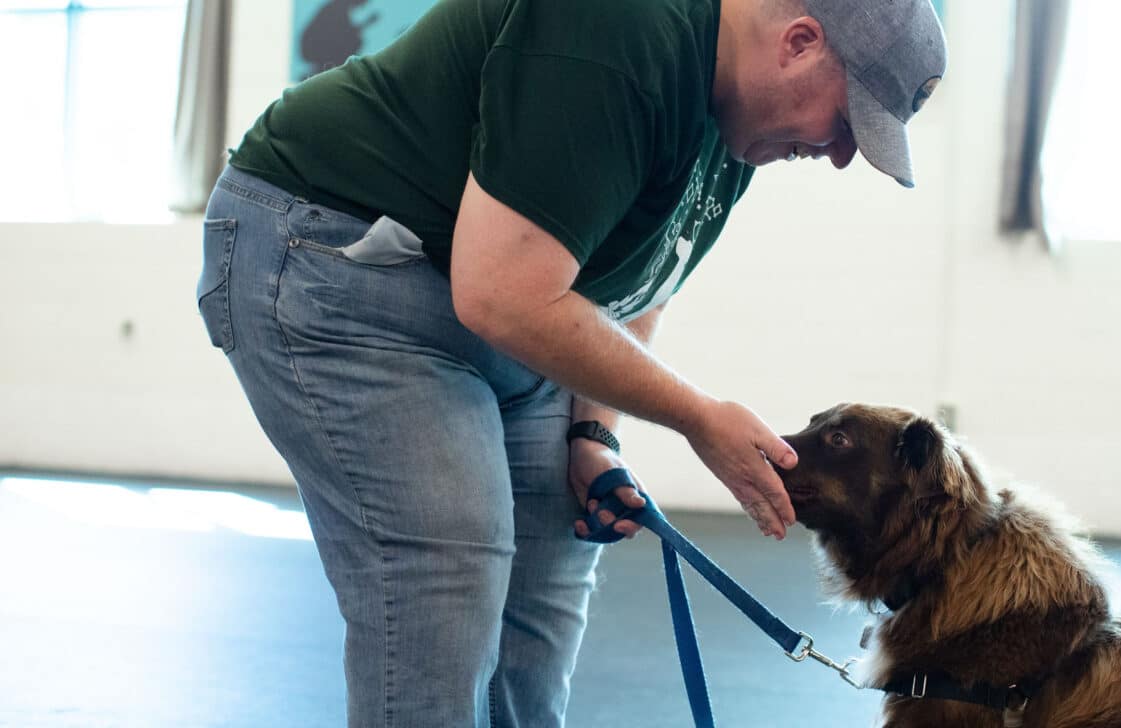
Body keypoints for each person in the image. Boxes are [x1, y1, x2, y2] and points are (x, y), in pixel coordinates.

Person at [195, 0, 946, 725]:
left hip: (490, 295)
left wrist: (596, 435)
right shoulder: (622, 27)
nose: (842, 156)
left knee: (545, 588)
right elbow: (500, 293)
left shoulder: (740, 126)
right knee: (449, 567)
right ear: (800, 43)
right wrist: (695, 418)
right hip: (340, 256)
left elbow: (647, 274)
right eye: (848, 122)